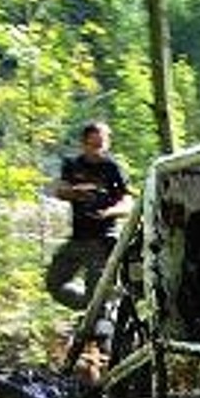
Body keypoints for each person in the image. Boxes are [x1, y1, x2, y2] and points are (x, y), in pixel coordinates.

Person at [44, 121, 133, 310]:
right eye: (93, 145)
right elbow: (59, 190)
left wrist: (109, 211)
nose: (97, 150)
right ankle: (93, 308)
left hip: (103, 239)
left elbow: (127, 202)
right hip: (78, 237)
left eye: (101, 145)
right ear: (84, 144)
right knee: (54, 282)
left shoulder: (112, 168)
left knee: (97, 292)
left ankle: (102, 319)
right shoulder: (73, 165)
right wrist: (76, 192)